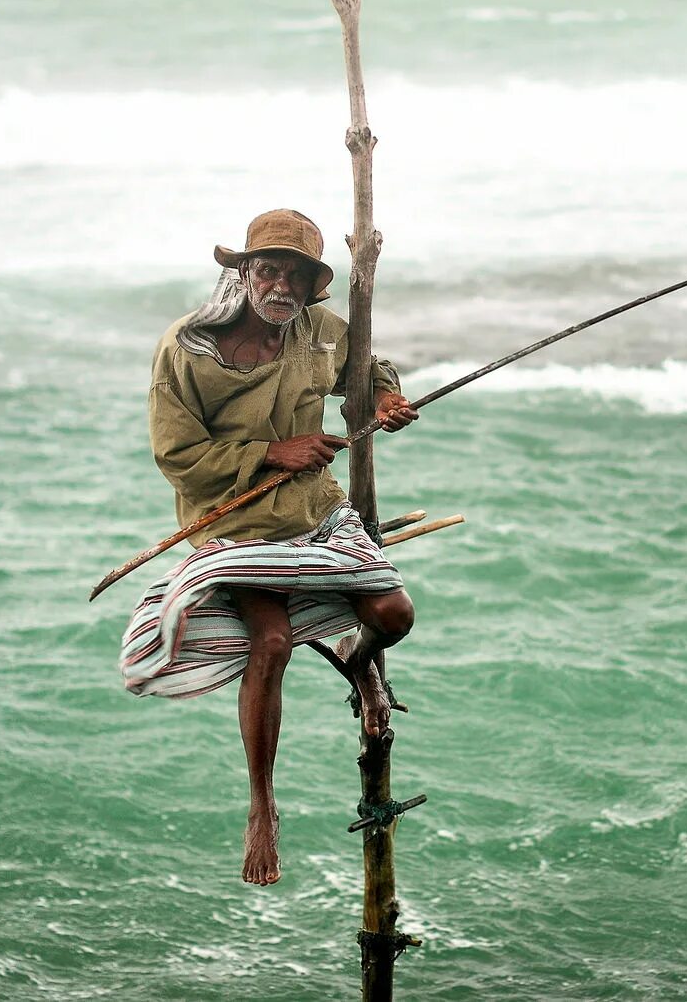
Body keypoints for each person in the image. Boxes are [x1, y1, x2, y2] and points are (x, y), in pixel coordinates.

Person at [117, 208, 419, 887]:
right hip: (234, 519)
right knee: (273, 640)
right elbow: (176, 455)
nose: (281, 285)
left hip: (313, 507)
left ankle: (358, 662)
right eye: (269, 269)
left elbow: (367, 368)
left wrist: (388, 397)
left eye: (296, 275)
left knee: (394, 617)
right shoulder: (187, 347)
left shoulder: (317, 333)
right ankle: (261, 804)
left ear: (313, 286)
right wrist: (270, 452)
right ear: (245, 273)